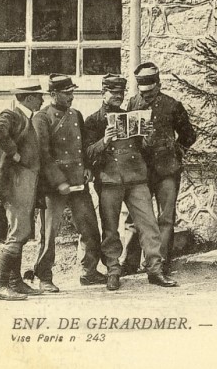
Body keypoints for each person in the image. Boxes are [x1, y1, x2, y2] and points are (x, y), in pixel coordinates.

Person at [84, 74, 177, 291]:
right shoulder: (94, 121)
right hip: (109, 180)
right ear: (103, 93)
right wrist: (104, 140)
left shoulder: (131, 117)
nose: (118, 97)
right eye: (113, 93)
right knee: (110, 229)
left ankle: (155, 270)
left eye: (121, 93)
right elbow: (87, 154)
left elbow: (143, 148)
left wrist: (148, 138)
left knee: (149, 225)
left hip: (136, 178)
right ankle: (113, 271)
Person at [30, 74, 106, 292]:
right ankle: (44, 277)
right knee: (49, 234)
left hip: (78, 182)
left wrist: (87, 168)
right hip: (54, 186)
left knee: (90, 228)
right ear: (53, 94)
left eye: (72, 92)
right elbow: (43, 155)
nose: (71, 97)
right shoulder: (41, 118)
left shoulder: (76, 115)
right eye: (67, 93)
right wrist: (59, 182)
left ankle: (89, 272)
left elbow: (83, 147)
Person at [121, 62, 196, 276]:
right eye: (143, 92)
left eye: (150, 92)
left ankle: (160, 262)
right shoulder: (133, 103)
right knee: (135, 217)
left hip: (167, 171)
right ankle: (130, 262)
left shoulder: (172, 105)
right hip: (140, 172)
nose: (146, 97)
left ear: (159, 85)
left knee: (165, 217)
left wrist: (175, 152)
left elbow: (189, 135)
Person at [0, 79, 45, 300]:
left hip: (25, 183)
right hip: (15, 184)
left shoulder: (25, 118)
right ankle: (0, 285)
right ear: (29, 98)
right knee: (18, 233)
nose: (42, 100)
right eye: (39, 96)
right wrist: (14, 153)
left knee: (21, 231)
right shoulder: (13, 115)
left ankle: (15, 282)